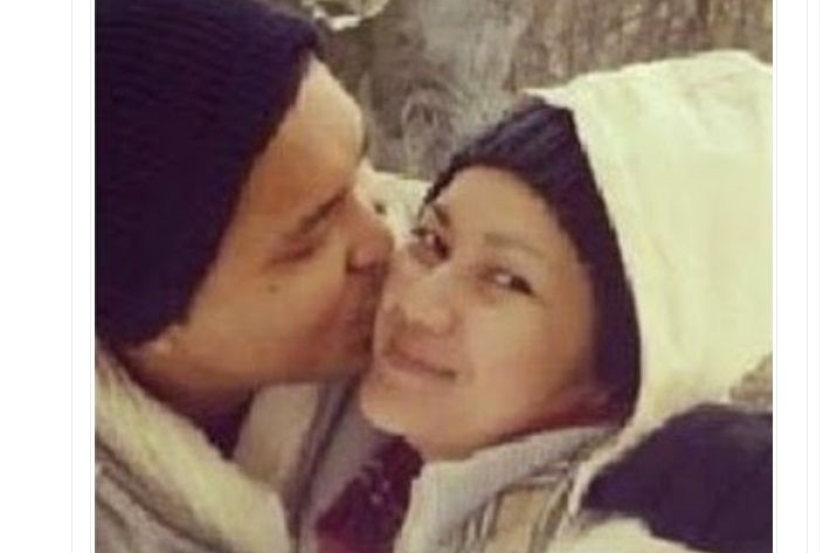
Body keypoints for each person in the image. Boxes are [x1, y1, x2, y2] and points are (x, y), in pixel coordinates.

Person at [355, 50, 771, 553]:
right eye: (433, 241)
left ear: (619, 366)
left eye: (506, 280)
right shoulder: (393, 483)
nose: (417, 305)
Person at [95, 0, 397, 550]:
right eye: (311, 238)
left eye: (361, 168)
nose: (384, 239)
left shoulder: (469, 273)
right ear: (154, 324)